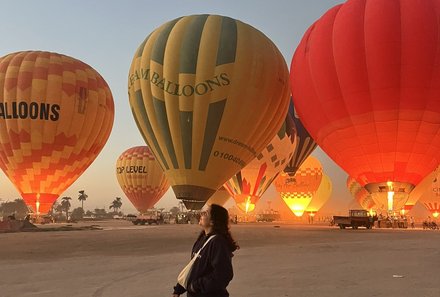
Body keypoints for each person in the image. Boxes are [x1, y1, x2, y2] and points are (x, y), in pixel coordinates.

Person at [173, 204, 239, 297]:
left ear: (212, 221)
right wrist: (179, 289)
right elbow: (194, 266)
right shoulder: (202, 238)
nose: (201, 214)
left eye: (205, 213)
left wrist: (196, 286)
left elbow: (223, 275)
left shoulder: (218, 242)